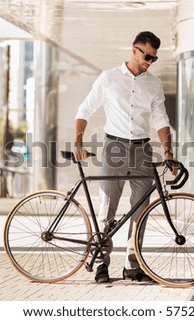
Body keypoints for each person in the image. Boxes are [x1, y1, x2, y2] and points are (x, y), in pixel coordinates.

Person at [74, 31, 176, 284]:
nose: (150, 62)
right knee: (107, 207)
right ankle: (100, 263)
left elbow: (161, 118)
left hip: (142, 149)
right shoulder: (108, 78)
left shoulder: (154, 84)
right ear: (134, 50)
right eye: (147, 56)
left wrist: (168, 151)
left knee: (140, 211)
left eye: (154, 58)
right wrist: (78, 141)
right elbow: (85, 109)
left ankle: (134, 265)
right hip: (114, 148)